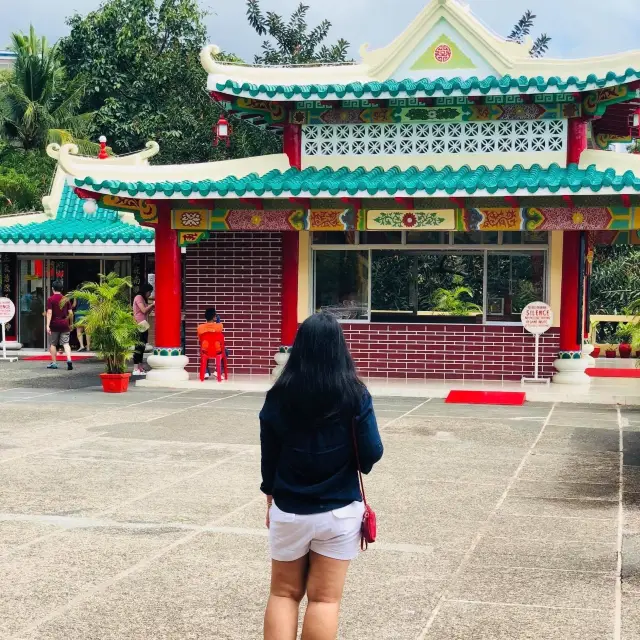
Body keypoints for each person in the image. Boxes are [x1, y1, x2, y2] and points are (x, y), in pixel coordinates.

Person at [260, 313, 383, 640]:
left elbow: (269, 456)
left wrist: (270, 495)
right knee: (325, 599)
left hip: (289, 509)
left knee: (283, 593)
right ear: (339, 349)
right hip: (339, 511)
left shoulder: (279, 395)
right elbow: (371, 453)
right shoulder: (355, 394)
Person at [45, 280, 73, 370]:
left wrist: (47, 325)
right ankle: (69, 360)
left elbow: (49, 312)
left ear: (52, 289)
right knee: (66, 343)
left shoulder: (50, 299)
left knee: (53, 344)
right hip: (65, 324)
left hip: (54, 324)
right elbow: (71, 313)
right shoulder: (66, 299)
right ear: (61, 289)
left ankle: (54, 363)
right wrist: (71, 323)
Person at [132, 283, 155, 376]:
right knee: (138, 346)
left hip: (144, 324)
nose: (150, 294)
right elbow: (143, 310)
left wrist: (152, 306)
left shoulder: (143, 299)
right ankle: (135, 368)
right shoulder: (138, 297)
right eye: (149, 292)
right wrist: (152, 304)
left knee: (142, 346)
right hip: (139, 324)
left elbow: (147, 312)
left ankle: (140, 367)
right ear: (146, 291)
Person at [197, 308, 224, 380]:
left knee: (204, 353)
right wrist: (218, 320)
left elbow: (200, 339)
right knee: (226, 352)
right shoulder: (220, 326)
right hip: (217, 350)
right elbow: (220, 336)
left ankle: (205, 372)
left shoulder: (200, 327)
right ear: (214, 317)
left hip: (205, 350)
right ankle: (218, 371)